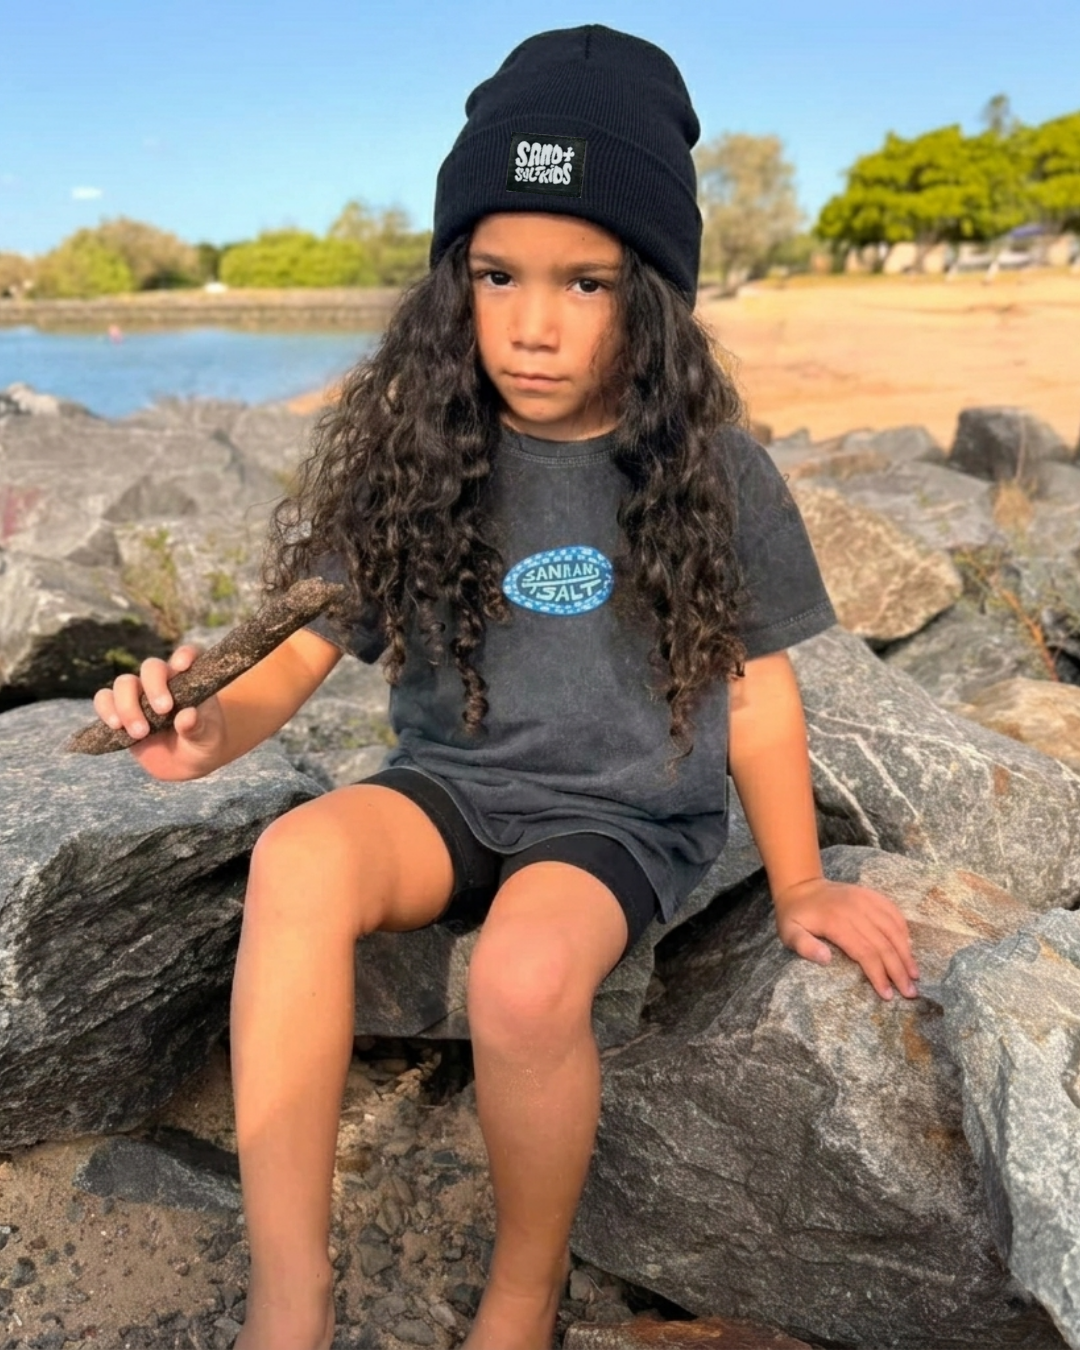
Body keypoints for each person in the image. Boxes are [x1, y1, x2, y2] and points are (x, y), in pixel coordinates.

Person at [93, 24, 920, 1350]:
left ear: (650, 293)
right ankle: (290, 1295)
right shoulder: (421, 453)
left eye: (586, 284)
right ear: (452, 281)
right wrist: (204, 729)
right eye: (496, 274)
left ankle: (521, 1298)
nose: (534, 325)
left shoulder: (714, 471)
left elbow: (756, 693)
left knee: (529, 977)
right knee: (299, 856)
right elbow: (298, 660)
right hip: (455, 786)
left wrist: (806, 877)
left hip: (621, 815)